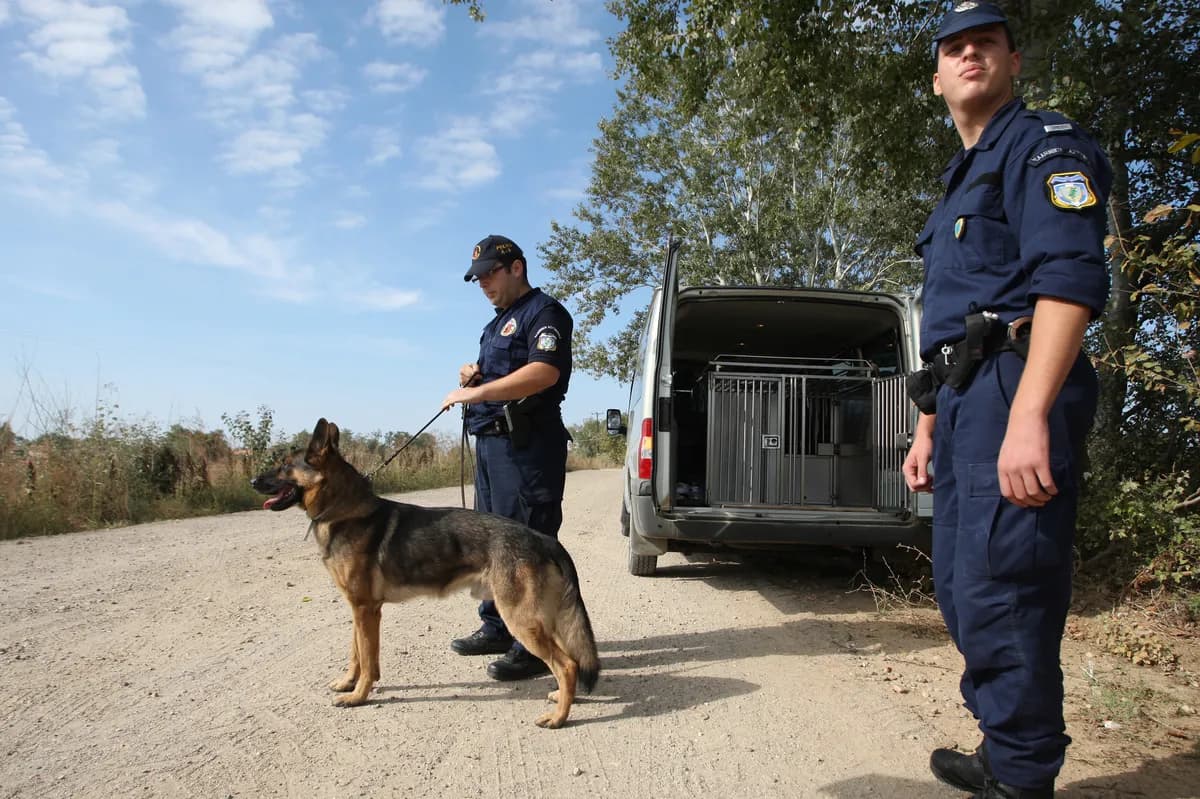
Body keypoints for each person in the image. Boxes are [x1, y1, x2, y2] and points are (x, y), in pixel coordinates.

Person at [902, 3, 1112, 798]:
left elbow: (1067, 282)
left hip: (1015, 390)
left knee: (1006, 585)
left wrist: (1029, 414)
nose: (969, 54)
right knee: (962, 589)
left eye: (985, 41)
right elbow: (952, 326)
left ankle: (1022, 779)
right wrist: (926, 427)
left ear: (1013, 61)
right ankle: (1003, 749)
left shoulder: (1042, 146)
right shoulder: (960, 179)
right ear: (937, 78)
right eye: (953, 47)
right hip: (962, 401)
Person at [440, 234, 574, 682]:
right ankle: (498, 625)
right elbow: (502, 373)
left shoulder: (545, 313)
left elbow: (543, 371)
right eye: (477, 278)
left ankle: (534, 644)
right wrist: (474, 373)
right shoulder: (497, 322)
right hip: (492, 444)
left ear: (517, 267)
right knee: (490, 543)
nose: (483, 283)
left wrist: (475, 391)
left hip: (528, 447)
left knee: (525, 544)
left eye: (490, 274)